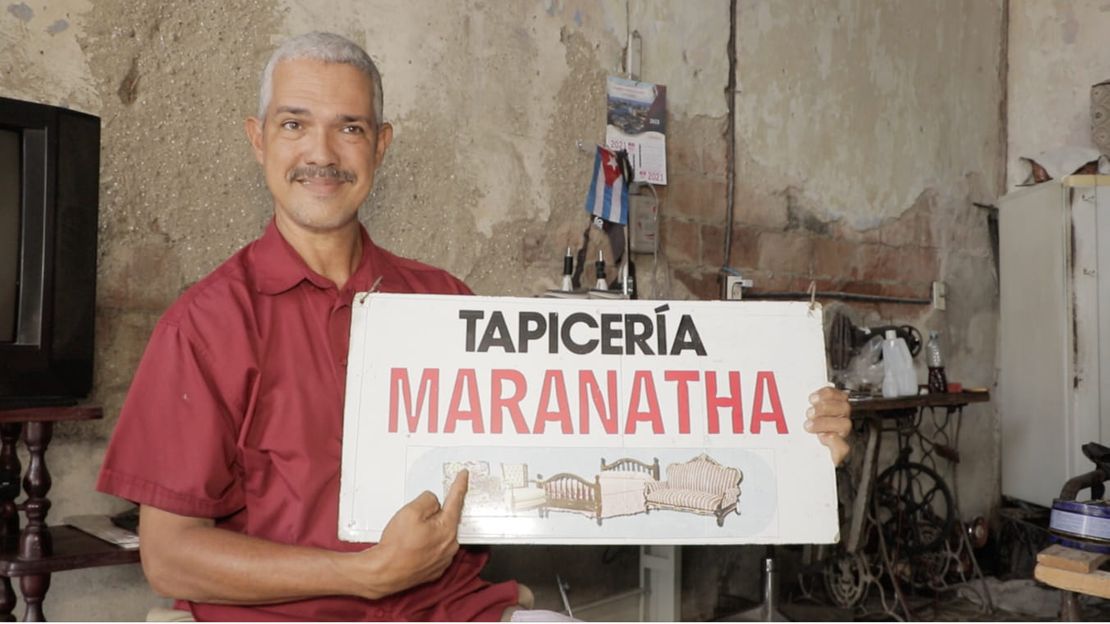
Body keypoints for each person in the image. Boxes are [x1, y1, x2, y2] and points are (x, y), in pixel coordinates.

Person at [97, 32, 852, 622]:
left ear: (380, 147)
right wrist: (361, 573)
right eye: (295, 124)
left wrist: (791, 434)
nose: (321, 153)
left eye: (349, 128)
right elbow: (170, 558)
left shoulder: (441, 302)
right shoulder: (206, 323)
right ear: (259, 138)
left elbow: (592, 444)